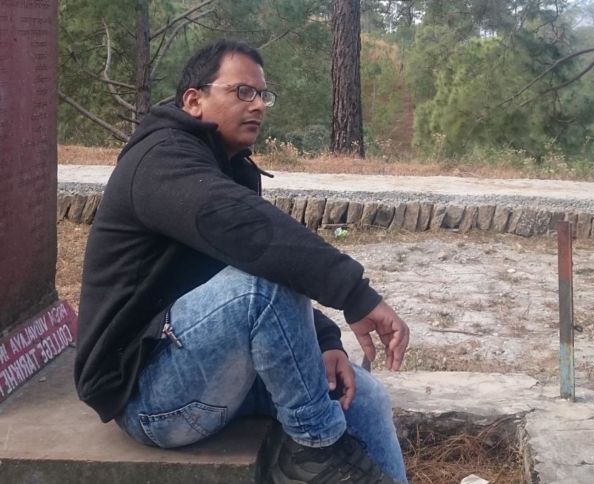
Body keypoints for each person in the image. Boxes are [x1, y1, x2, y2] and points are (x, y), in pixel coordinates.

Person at [74, 39, 410, 484]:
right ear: (194, 100)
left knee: (363, 397)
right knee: (262, 286)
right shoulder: (160, 161)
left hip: (209, 370)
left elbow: (259, 264)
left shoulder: (230, 167)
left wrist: (326, 341)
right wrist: (355, 295)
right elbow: (257, 253)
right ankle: (317, 452)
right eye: (242, 92)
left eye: (263, 95)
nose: (258, 105)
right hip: (146, 394)